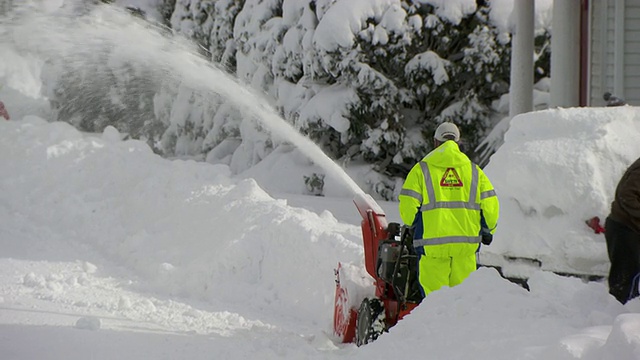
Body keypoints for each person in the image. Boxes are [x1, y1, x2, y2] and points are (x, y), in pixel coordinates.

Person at [398, 122, 499, 296]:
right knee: (462, 303)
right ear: (458, 143)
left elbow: (408, 209)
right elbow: (491, 206)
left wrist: (414, 224)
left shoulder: (421, 170)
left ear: (436, 142)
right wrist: (488, 230)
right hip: (465, 251)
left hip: (432, 250)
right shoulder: (475, 172)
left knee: (434, 305)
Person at [605, 156, 640, 304]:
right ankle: (617, 319)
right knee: (625, 281)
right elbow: (626, 195)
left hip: (631, 228)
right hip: (624, 230)